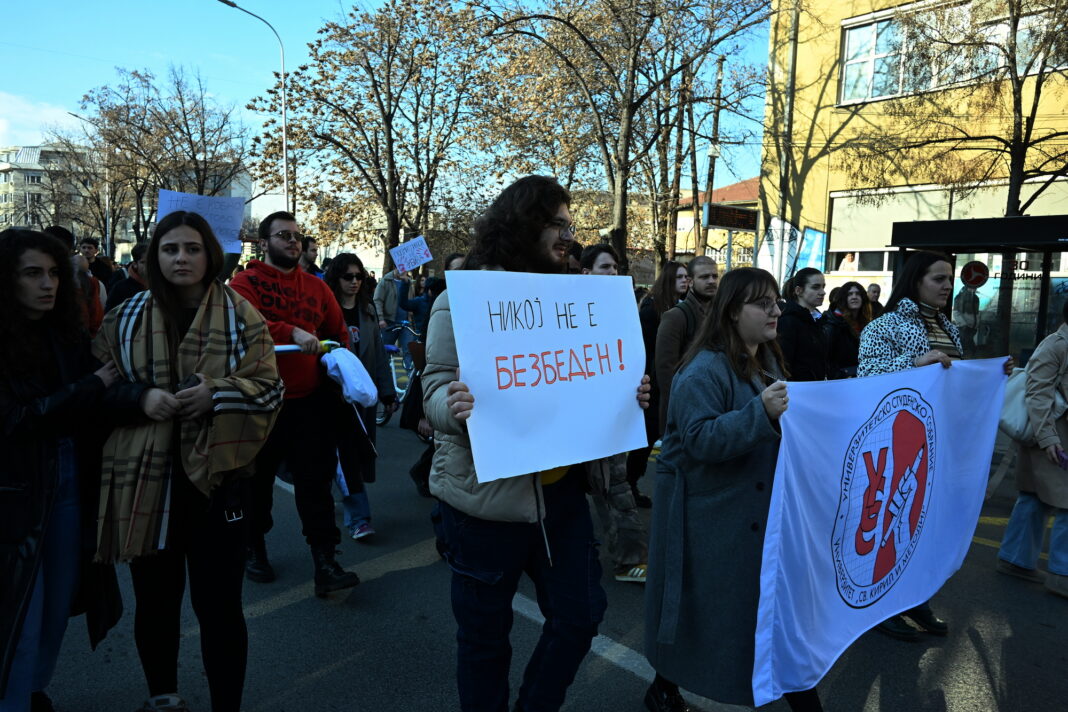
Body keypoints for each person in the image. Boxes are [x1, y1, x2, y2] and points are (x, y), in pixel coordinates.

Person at [422, 175, 651, 712]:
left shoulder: (578, 301)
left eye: (570, 225)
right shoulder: (465, 300)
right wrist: (453, 407)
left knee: (581, 616)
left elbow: (587, 378)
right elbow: (432, 390)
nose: (569, 236)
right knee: (484, 641)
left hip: (561, 498)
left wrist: (627, 392)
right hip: (484, 502)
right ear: (522, 224)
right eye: (556, 224)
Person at [91, 211, 283, 712]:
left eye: (192, 248)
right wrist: (140, 399)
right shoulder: (123, 317)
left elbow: (270, 389)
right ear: (154, 256)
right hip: (146, 484)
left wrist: (217, 394)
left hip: (219, 485)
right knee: (155, 603)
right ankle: (164, 697)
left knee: (220, 609)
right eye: (170, 248)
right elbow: (96, 391)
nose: (181, 258)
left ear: (209, 255)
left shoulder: (242, 315)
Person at [644, 267, 823, 712]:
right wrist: (760, 413)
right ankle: (664, 685)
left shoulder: (766, 359)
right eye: (762, 304)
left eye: (776, 302)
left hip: (751, 511)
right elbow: (700, 438)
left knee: (763, 614)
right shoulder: (702, 370)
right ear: (731, 312)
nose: (775, 311)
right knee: (701, 608)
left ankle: (668, 684)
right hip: (711, 518)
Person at [0, 229, 139, 712]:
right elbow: (16, 420)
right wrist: (91, 386)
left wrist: (148, 397)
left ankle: (33, 690)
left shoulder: (67, 334)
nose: (48, 284)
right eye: (32, 273)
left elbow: (103, 395)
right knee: (22, 611)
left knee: (58, 603)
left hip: (68, 483)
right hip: (15, 492)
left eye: (54, 273)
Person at [859, 250, 1013, 640]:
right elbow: (865, 375)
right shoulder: (884, 325)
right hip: (900, 442)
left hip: (939, 442)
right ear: (916, 281)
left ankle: (915, 598)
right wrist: (914, 363)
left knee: (924, 525)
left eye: (949, 278)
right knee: (894, 522)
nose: (948, 286)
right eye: (938, 278)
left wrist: (991, 375)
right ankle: (880, 607)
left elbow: (952, 381)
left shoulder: (950, 327)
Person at [229, 211, 361, 596]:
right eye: (283, 235)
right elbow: (246, 326)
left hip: (309, 404)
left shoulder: (317, 287)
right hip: (261, 402)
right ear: (263, 242)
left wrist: (338, 361)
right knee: (257, 483)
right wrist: (292, 332)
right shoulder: (244, 283)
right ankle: (254, 547)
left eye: (297, 236)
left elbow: (337, 333)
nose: (292, 241)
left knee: (315, 484)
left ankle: (326, 561)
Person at [578, 244, 649, 584]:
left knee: (614, 483)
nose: (613, 273)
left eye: (616, 267)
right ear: (586, 273)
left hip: (611, 415)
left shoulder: (623, 311)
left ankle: (629, 558)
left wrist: (639, 385)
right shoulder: (566, 311)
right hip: (574, 417)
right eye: (605, 267)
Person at [997, 301, 1068, 599]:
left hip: (1052, 437)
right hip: (1051, 437)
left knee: (1034, 497)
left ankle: (1016, 559)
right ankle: (1062, 574)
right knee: (1063, 502)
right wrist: (1049, 438)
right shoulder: (1055, 345)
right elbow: (1037, 394)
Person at [324, 253, 396, 541]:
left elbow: (378, 353)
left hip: (362, 396)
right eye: (348, 277)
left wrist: (388, 392)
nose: (354, 282)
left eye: (359, 277)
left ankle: (347, 503)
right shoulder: (325, 308)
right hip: (332, 396)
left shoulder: (367, 309)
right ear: (336, 278)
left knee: (353, 456)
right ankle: (358, 518)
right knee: (344, 456)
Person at [627, 260, 689, 507]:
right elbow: (643, 349)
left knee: (651, 436)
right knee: (647, 437)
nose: (685, 281)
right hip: (651, 384)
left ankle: (631, 484)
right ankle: (630, 484)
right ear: (668, 280)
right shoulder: (652, 309)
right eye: (679, 277)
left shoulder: (677, 306)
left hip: (665, 381)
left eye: (686, 277)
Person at [654, 256, 718, 433]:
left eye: (714, 276)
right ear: (690, 281)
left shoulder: (721, 314)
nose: (711, 281)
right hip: (683, 413)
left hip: (713, 407)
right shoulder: (676, 316)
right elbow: (665, 371)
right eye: (704, 277)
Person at [777, 267, 828, 381]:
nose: (822, 292)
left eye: (823, 286)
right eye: (815, 287)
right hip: (797, 388)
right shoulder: (788, 321)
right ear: (798, 291)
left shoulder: (817, 319)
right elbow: (784, 364)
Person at [822, 280, 872, 379]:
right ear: (843, 298)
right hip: (842, 380)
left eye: (858, 294)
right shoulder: (833, 323)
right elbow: (827, 359)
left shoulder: (866, 323)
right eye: (850, 294)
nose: (854, 297)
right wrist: (840, 376)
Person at [373, 266, 413, 370]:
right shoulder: (385, 281)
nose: (403, 271)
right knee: (385, 350)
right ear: (395, 267)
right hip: (389, 322)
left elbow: (411, 300)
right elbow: (377, 300)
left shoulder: (408, 282)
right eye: (400, 268)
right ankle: (383, 374)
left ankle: (410, 375)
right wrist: (381, 318)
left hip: (405, 323)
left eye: (405, 269)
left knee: (409, 349)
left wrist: (411, 316)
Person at [104, 242, 149, 312]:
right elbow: (110, 315)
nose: (150, 265)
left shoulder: (162, 286)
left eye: (152, 261)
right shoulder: (120, 288)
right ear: (135, 264)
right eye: (144, 262)